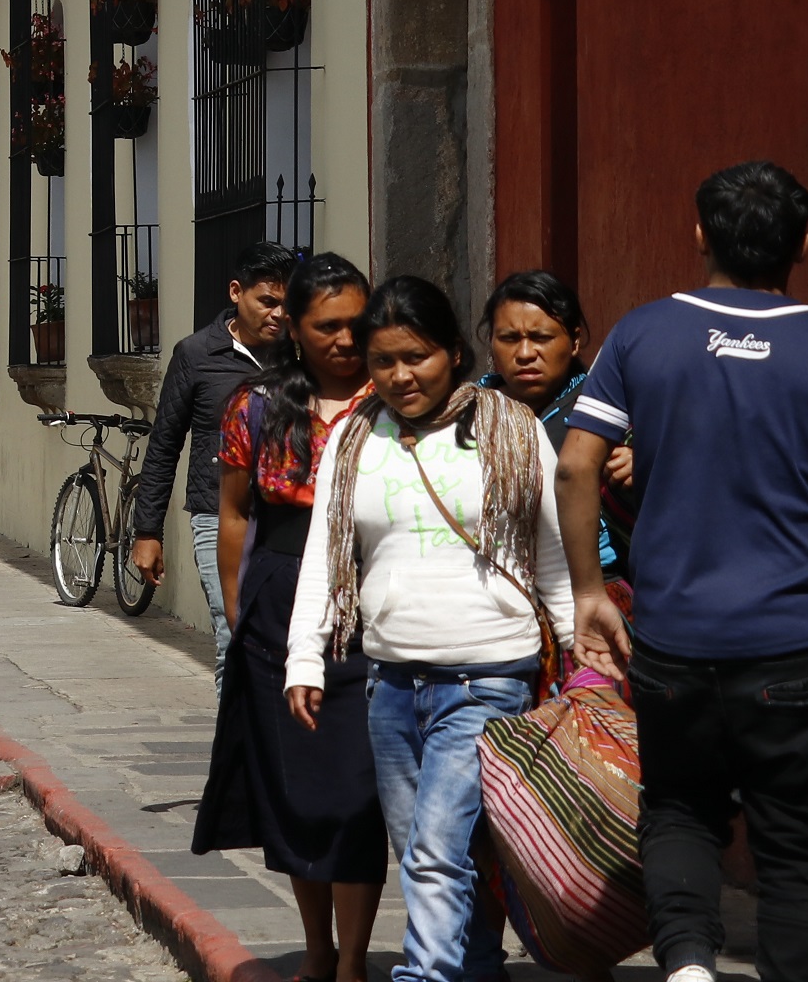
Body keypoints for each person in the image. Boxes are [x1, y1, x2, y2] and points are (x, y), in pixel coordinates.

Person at [561, 161, 808, 982]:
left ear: (699, 235)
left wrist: (590, 591)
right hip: (800, 645)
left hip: (675, 643)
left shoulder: (643, 333)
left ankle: (689, 961)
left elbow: (577, 465)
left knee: (682, 811)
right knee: (801, 843)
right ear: (803, 242)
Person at [287, 276, 573, 982]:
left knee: (435, 851)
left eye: (415, 357)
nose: (399, 375)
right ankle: (476, 966)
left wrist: (579, 652)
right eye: (382, 361)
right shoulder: (355, 438)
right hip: (390, 686)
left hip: (487, 681)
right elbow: (325, 555)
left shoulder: (511, 428)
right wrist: (305, 659)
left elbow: (554, 559)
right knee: (435, 846)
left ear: (452, 352)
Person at [192, 252, 386, 982]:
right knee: (297, 784)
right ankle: (317, 947)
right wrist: (242, 612)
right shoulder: (258, 406)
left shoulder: (393, 398)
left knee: (360, 786)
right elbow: (236, 512)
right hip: (282, 589)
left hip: (372, 598)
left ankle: (356, 961)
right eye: (326, 325)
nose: (345, 338)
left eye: (356, 323)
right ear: (296, 331)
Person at [131, 240, 296, 684]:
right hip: (216, 514)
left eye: (287, 304)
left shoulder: (299, 356)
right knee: (235, 637)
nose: (278, 314)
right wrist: (147, 532)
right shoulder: (196, 354)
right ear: (236, 292)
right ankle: (238, 751)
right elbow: (165, 442)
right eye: (267, 301)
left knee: (289, 642)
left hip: (291, 516)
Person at [478, 269, 633, 582]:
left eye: (541, 338)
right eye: (509, 339)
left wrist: (640, 466)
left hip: (591, 580)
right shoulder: (467, 415)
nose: (525, 353)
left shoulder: (607, 411)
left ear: (574, 341)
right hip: (492, 581)